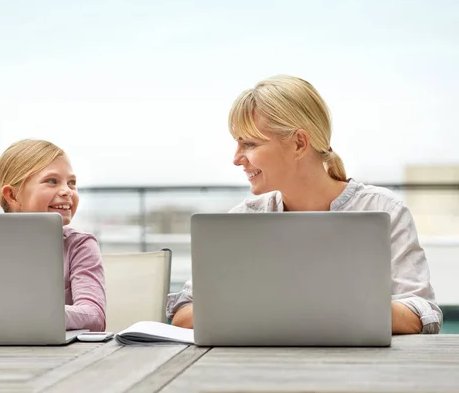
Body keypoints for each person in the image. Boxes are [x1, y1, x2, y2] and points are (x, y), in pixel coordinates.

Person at [167, 75, 442, 334]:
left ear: (299, 143)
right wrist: (294, 306)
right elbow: (183, 315)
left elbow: (422, 314)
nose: (237, 158)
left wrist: (306, 305)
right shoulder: (241, 220)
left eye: (249, 144)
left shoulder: (384, 211)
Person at [0, 139, 106, 331]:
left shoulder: (79, 246)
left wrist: (29, 314)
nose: (67, 191)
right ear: (12, 196)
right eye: (52, 181)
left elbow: (94, 316)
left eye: (72, 183)